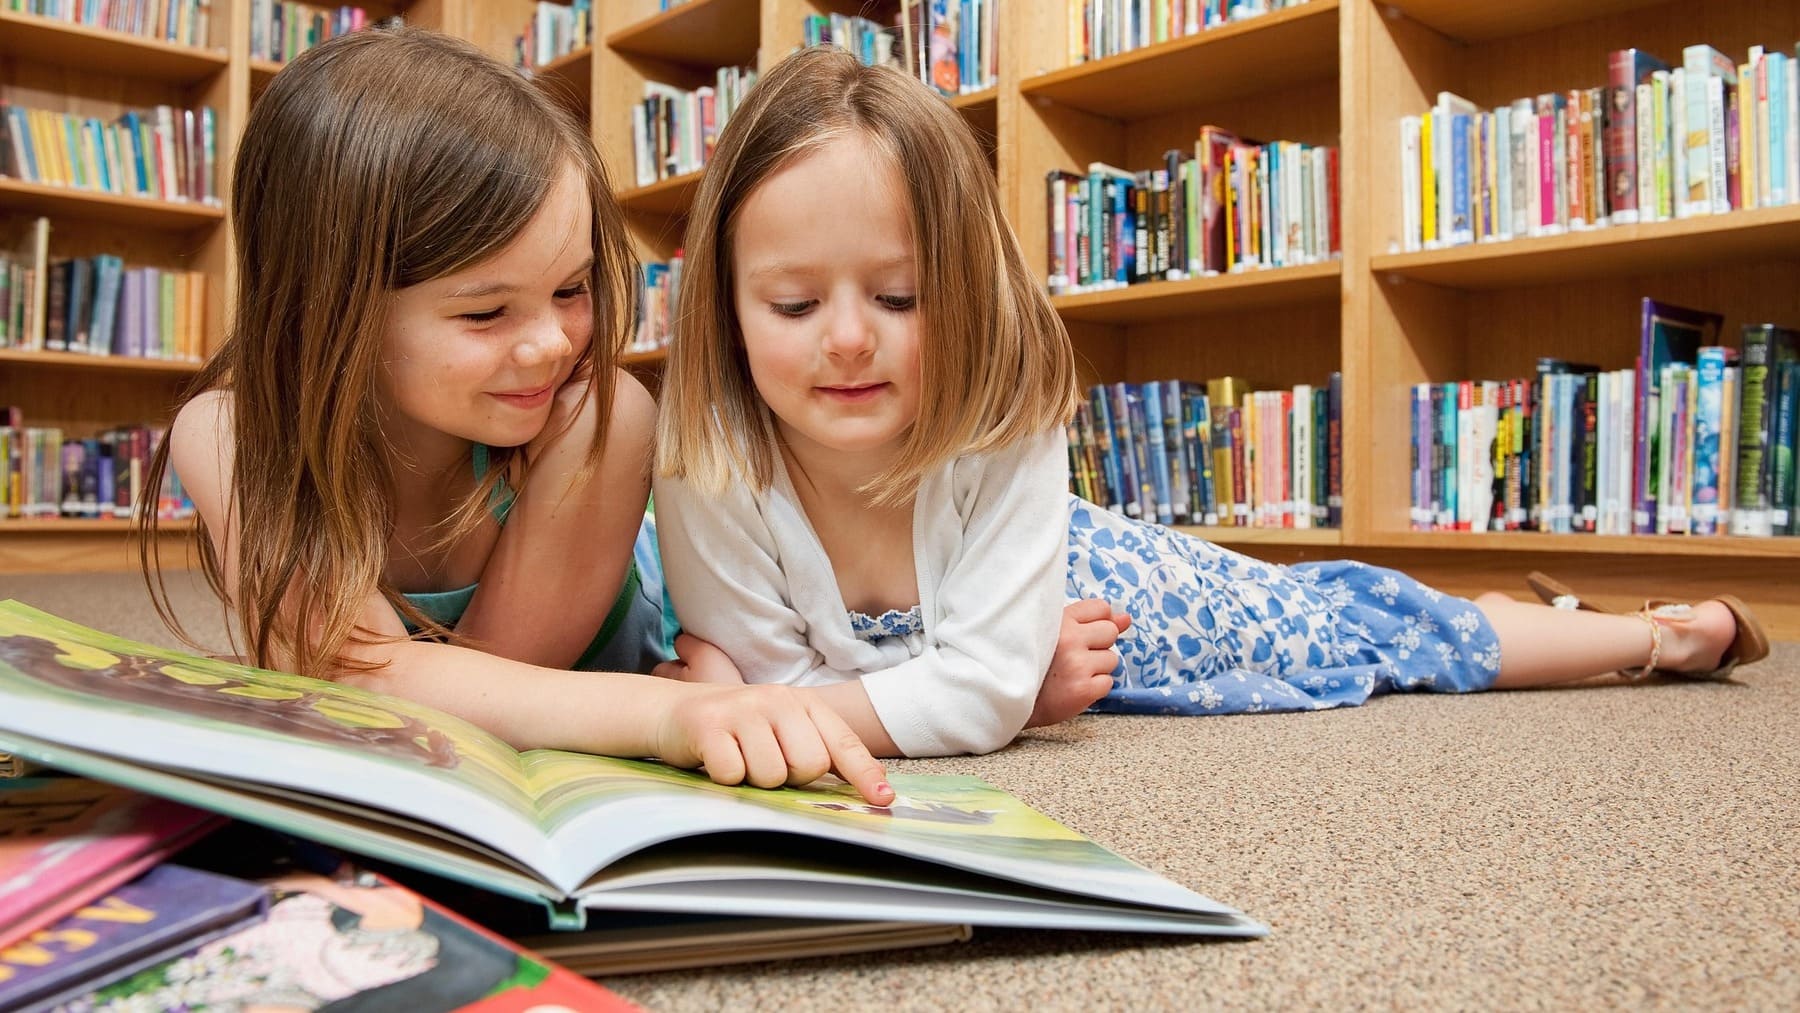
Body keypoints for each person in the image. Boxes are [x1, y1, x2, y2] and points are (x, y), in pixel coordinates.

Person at [650, 47, 1770, 759]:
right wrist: (964, 690)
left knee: (1368, 623)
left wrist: (974, 694)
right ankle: (1572, 616)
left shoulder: (1002, 419)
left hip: (1112, 587)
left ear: (969, 293)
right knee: (1366, 615)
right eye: (794, 303)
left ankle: (1654, 637)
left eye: (898, 295)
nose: (848, 337)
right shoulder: (704, 458)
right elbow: (810, 696)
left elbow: (805, 702)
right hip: (1043, 639)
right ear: (725, 307)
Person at [136, 28, 895, 803]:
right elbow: (367, 680)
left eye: (571, 290)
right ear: (323, 307)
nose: (549, 345)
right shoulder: (231, 434)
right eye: (487, 310)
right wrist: (675, 713)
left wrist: (689, 703)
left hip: (691, 639)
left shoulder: (599, 419)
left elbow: (478, 700)